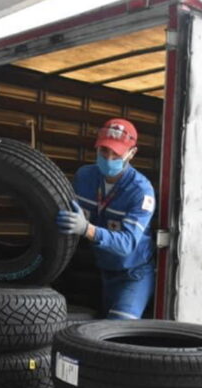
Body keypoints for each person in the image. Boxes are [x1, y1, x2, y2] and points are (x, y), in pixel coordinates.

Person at [56, 118, 156, 320]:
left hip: (134, 273)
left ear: (132, 153)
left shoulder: (141, 191)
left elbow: (127, 244)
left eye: (116, 154)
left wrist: (87, 229)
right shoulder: (84, 177)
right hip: (104, 270)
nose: (109, 158)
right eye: (104, 151)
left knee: (118, 326)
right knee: (101, 328)